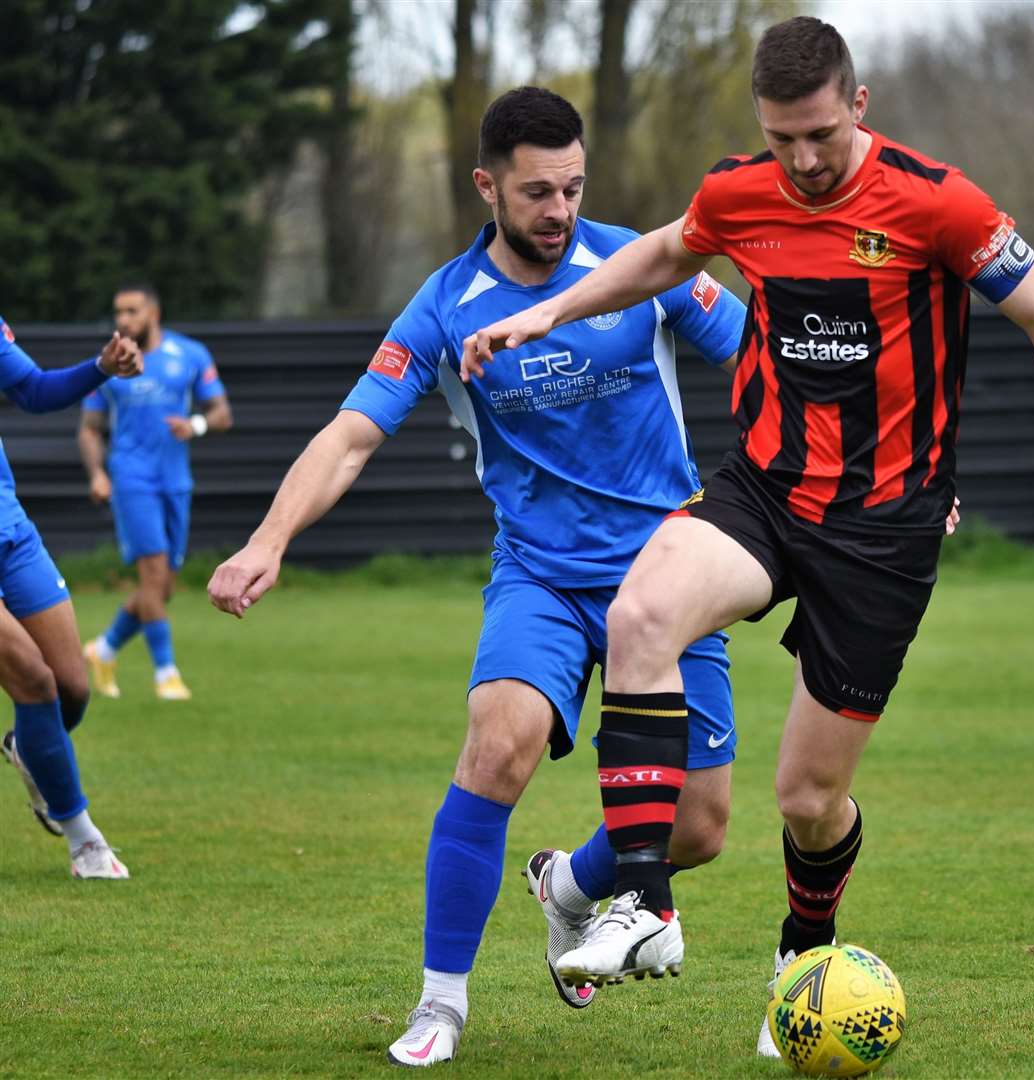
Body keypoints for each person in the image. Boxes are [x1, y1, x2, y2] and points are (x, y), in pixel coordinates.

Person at [461, 16, 1034, 1057]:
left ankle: (800, 956)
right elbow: (658, 254)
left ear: (857, 106)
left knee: (806, 797)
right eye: (781, 137)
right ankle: (641, 903)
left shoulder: (937, 202)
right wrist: (545, 316)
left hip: (883, 529)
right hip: (767, 492)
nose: (802, 159)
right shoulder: (741, 190)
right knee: (642, 609)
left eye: (820, 134)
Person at [207, 87, 750, 1069]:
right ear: (485, 186)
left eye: (573, 188)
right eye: (537, 191)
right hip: (538, 578)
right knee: (496, 743)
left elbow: (763, 357)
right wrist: (268, 539)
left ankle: (570, 886)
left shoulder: (640, 266)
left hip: (671, 580)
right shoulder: (445, 306)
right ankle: (439, 1005)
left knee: (700, 829)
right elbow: (350, 437)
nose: (559, 209)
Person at [0, 314, 142, 879]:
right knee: (33, 681)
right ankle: (85, 843)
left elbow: (33, 389)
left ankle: (28, 749)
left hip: (12, 534)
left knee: (71, 687)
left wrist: (101, 368)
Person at [78, 283, 232, 701]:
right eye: (118, 312)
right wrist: (97, 473)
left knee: (161, 588)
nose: (123, 320)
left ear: (153, 312)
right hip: (131, 479)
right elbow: (90, 429)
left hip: (175, 480)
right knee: (152, 577)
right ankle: (166, 673)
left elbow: (221, 413)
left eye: (131, 311)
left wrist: (195, 425)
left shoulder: (191, 355)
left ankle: (102, 648)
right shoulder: (109, 365)